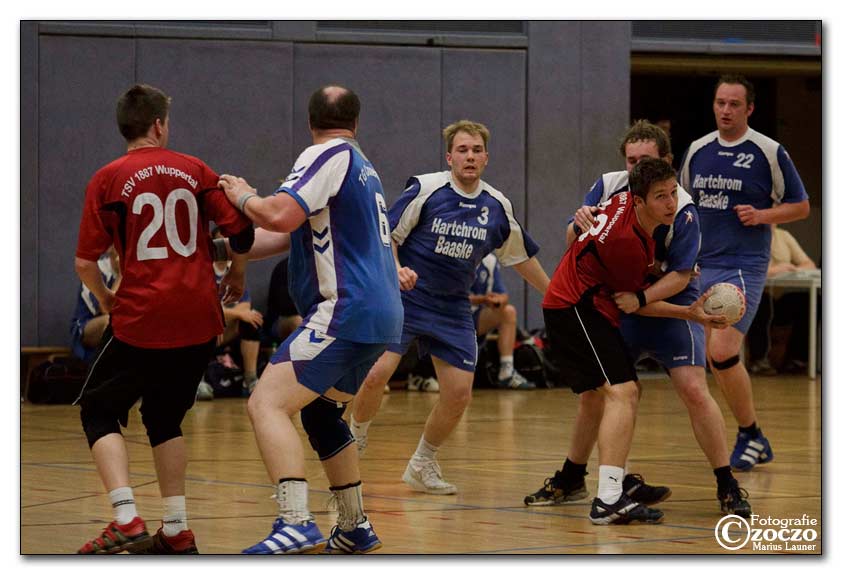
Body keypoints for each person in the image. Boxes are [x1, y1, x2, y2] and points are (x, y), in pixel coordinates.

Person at [526, 121, 750, 519]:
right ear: (638, 193)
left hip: (643, 295)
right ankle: (596, 487)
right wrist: (690, 313)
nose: (637, 168)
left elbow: (679, 275)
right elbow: (624, 295)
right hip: (601, 303)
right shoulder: (620, 214)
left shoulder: (681, 211)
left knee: (688, 388)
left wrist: (668, 298)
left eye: (647, 161)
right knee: (613, 393)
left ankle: (725, 482)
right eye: (632, 161)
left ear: (666, 163)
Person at [218, 85, 403, 554]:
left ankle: (295, 521)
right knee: (321, 414)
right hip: (380, 315)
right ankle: (354, 526)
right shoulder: (362, 167)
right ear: (356, 122)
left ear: (310, 122)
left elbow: (278, 215)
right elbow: (285, 235)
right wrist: (219, 251)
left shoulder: (327, 155)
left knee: (266, 404)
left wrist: (242, 196)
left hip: (346, 310)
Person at [73, 84, 254, 554]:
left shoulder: (107, 178)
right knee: (165, 418)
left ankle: (126, 518)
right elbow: (241, 230)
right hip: (198, 319)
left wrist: (106, 299)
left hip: (141, 316)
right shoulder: (195, 170)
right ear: (158, 124)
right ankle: (175, 528)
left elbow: (86, 263)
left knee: (97, 409)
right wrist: (236, 273)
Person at [349, 120, 550, 493]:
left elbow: (520, 256)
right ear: (449, 157)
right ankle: (354, 437)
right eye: (462, 150)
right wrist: (396, 269)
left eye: (476, 150)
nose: (470, 156)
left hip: (453, 306)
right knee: (377, 374)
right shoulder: (426, 189)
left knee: (458, 394)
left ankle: (423, 463)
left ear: (486, 158)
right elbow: (387, 236)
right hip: (407, 298)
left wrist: (554, 294)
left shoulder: (497, 205)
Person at [679, 74, 810, 471]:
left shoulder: (768, 151)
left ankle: (750, 433)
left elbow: (800, 206)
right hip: (702, 263)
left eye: (734, 104)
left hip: (743, 264)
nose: (726, 110)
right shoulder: (698, 150)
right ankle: (747, 435)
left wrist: (762, 215)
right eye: (720, 102)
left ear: (749, 108)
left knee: (722, 351)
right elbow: (683, 205)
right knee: (705, 358)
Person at [201, 227, 264, 397]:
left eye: (229, 240)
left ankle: (250, 378)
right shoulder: (204, 269)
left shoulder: (235, 271)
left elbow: (245, 308)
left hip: (226, 330)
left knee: (252, 320)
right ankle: (198, 381)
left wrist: (230, 314)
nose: (226, 245)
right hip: (205, 327)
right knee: (200, 321)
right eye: (222, 241)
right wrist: (233, 313)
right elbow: (204, 308)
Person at [747, 224, 818, 374]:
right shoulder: (747, 235)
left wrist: (793, 269)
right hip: (756, 295)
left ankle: (797, 359)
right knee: (762, 302)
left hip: (778, 297)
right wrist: (774, 270)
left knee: (807, 302)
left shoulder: (784, 235)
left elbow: (809, 264)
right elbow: (746, 270)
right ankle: (759, 359)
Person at [470, 253, 535, 389]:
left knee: (508, 312)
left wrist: (498, 301)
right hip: (452, 316)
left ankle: (506, 372)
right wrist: (482, 299)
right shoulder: (455, 255)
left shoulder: (489, 260)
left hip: (474, 317)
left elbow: (503, 294)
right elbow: (452, 296)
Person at [70, 246, 120, 363]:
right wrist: (122, 275)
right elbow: (107, 309)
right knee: (113, 322)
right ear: (110, 248)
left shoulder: (138, 271)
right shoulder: (98, 269)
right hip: (87, 327)